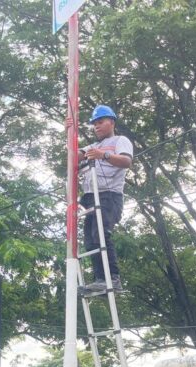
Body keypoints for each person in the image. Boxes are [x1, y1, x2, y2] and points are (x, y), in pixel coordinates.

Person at [77, 105, 133, 293]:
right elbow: (73, 156)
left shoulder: (120, 140)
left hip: (109, 196)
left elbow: (126, 161)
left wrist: (104, 155)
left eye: (100, 122)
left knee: (101, 235)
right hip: (90, 199)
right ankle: (101, 279)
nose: (96, 127)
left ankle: (113, 278)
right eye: (94, 124)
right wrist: (68, 131)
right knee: (90, 241)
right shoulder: (92, 146)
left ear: (112, 122)